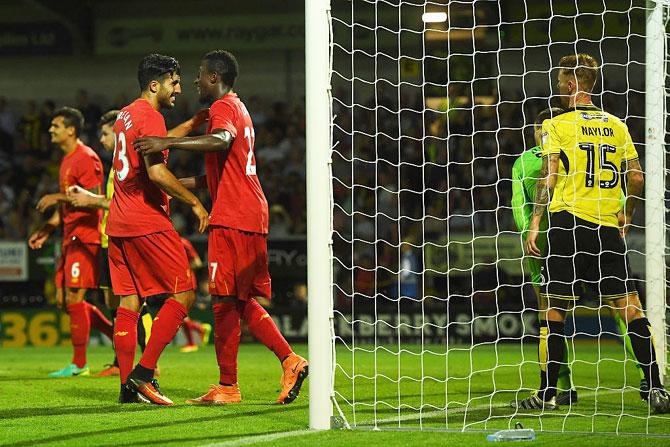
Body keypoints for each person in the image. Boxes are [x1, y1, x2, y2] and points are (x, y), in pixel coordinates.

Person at [134, 49, 308, 405]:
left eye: (198, 74)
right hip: (242, 213)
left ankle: (287, 361)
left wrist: (169, 141)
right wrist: (168, 182)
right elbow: (215, 176)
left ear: (214, 77)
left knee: (230, 300)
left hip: (235, 217)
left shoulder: (223, 108)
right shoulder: (236, 108)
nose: (194, 81)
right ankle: (230, 386)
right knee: (228, 301)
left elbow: (222, 141)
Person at [518, 53, 670, 413]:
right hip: (606, 230)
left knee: (554, 311)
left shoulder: (558, 125)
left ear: (572, 83)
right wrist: (625, 213)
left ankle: (548, 394)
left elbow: (548, 177)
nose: (557, 89)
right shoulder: (616, 125)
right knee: (630, 309)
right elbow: (636, 177)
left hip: (569, 226)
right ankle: (655, 388)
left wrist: (537, 222)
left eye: (559, 83)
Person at [106, 53, 209, 404]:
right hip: (146, 220)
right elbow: (156, 173)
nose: (179, 88)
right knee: (185, 292)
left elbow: (161, 141)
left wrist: (196, 121)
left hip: (118, 222)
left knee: (129, 302)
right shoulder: (150, 116)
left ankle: (126, 388)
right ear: (155, 84)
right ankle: (144, 373)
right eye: (174, 82)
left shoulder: (126, 115)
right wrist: (194, 202)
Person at [28, 106, 113, 377]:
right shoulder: (66, 160)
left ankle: (79, 364)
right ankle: (117, 334)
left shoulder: (86, 158)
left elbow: (95, 199)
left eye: (56, 126)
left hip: (86, 236)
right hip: (69, 236)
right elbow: (69, 205)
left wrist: (57, 197)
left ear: (70, 130)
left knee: (76, 296)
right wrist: (48, 228)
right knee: (65, 301)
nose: (51, 130)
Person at [179, 236, 212, 353]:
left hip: (186, 282)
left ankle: (192, 342)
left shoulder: (183, 242)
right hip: (175, 282)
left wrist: (181, 269)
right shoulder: (167, 243)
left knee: (180, 314)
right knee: (179, 315)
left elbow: (197, 263)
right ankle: (200, 329)